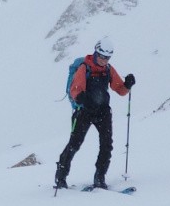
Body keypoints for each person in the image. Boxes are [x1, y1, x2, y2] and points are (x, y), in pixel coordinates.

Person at [55, 36, 135, 189]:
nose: (104, 60)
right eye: (102, 56)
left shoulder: (108, 70)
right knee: (74, 144)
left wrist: (128, 84)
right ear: (96, 53)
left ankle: (100, 178)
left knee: (106, 145)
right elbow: (74, 90)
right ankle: (60, 177)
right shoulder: (85, 67)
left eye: (107, 57)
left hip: (103, 112)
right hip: (83, 112)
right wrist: (80, 98)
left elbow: (120, 90)